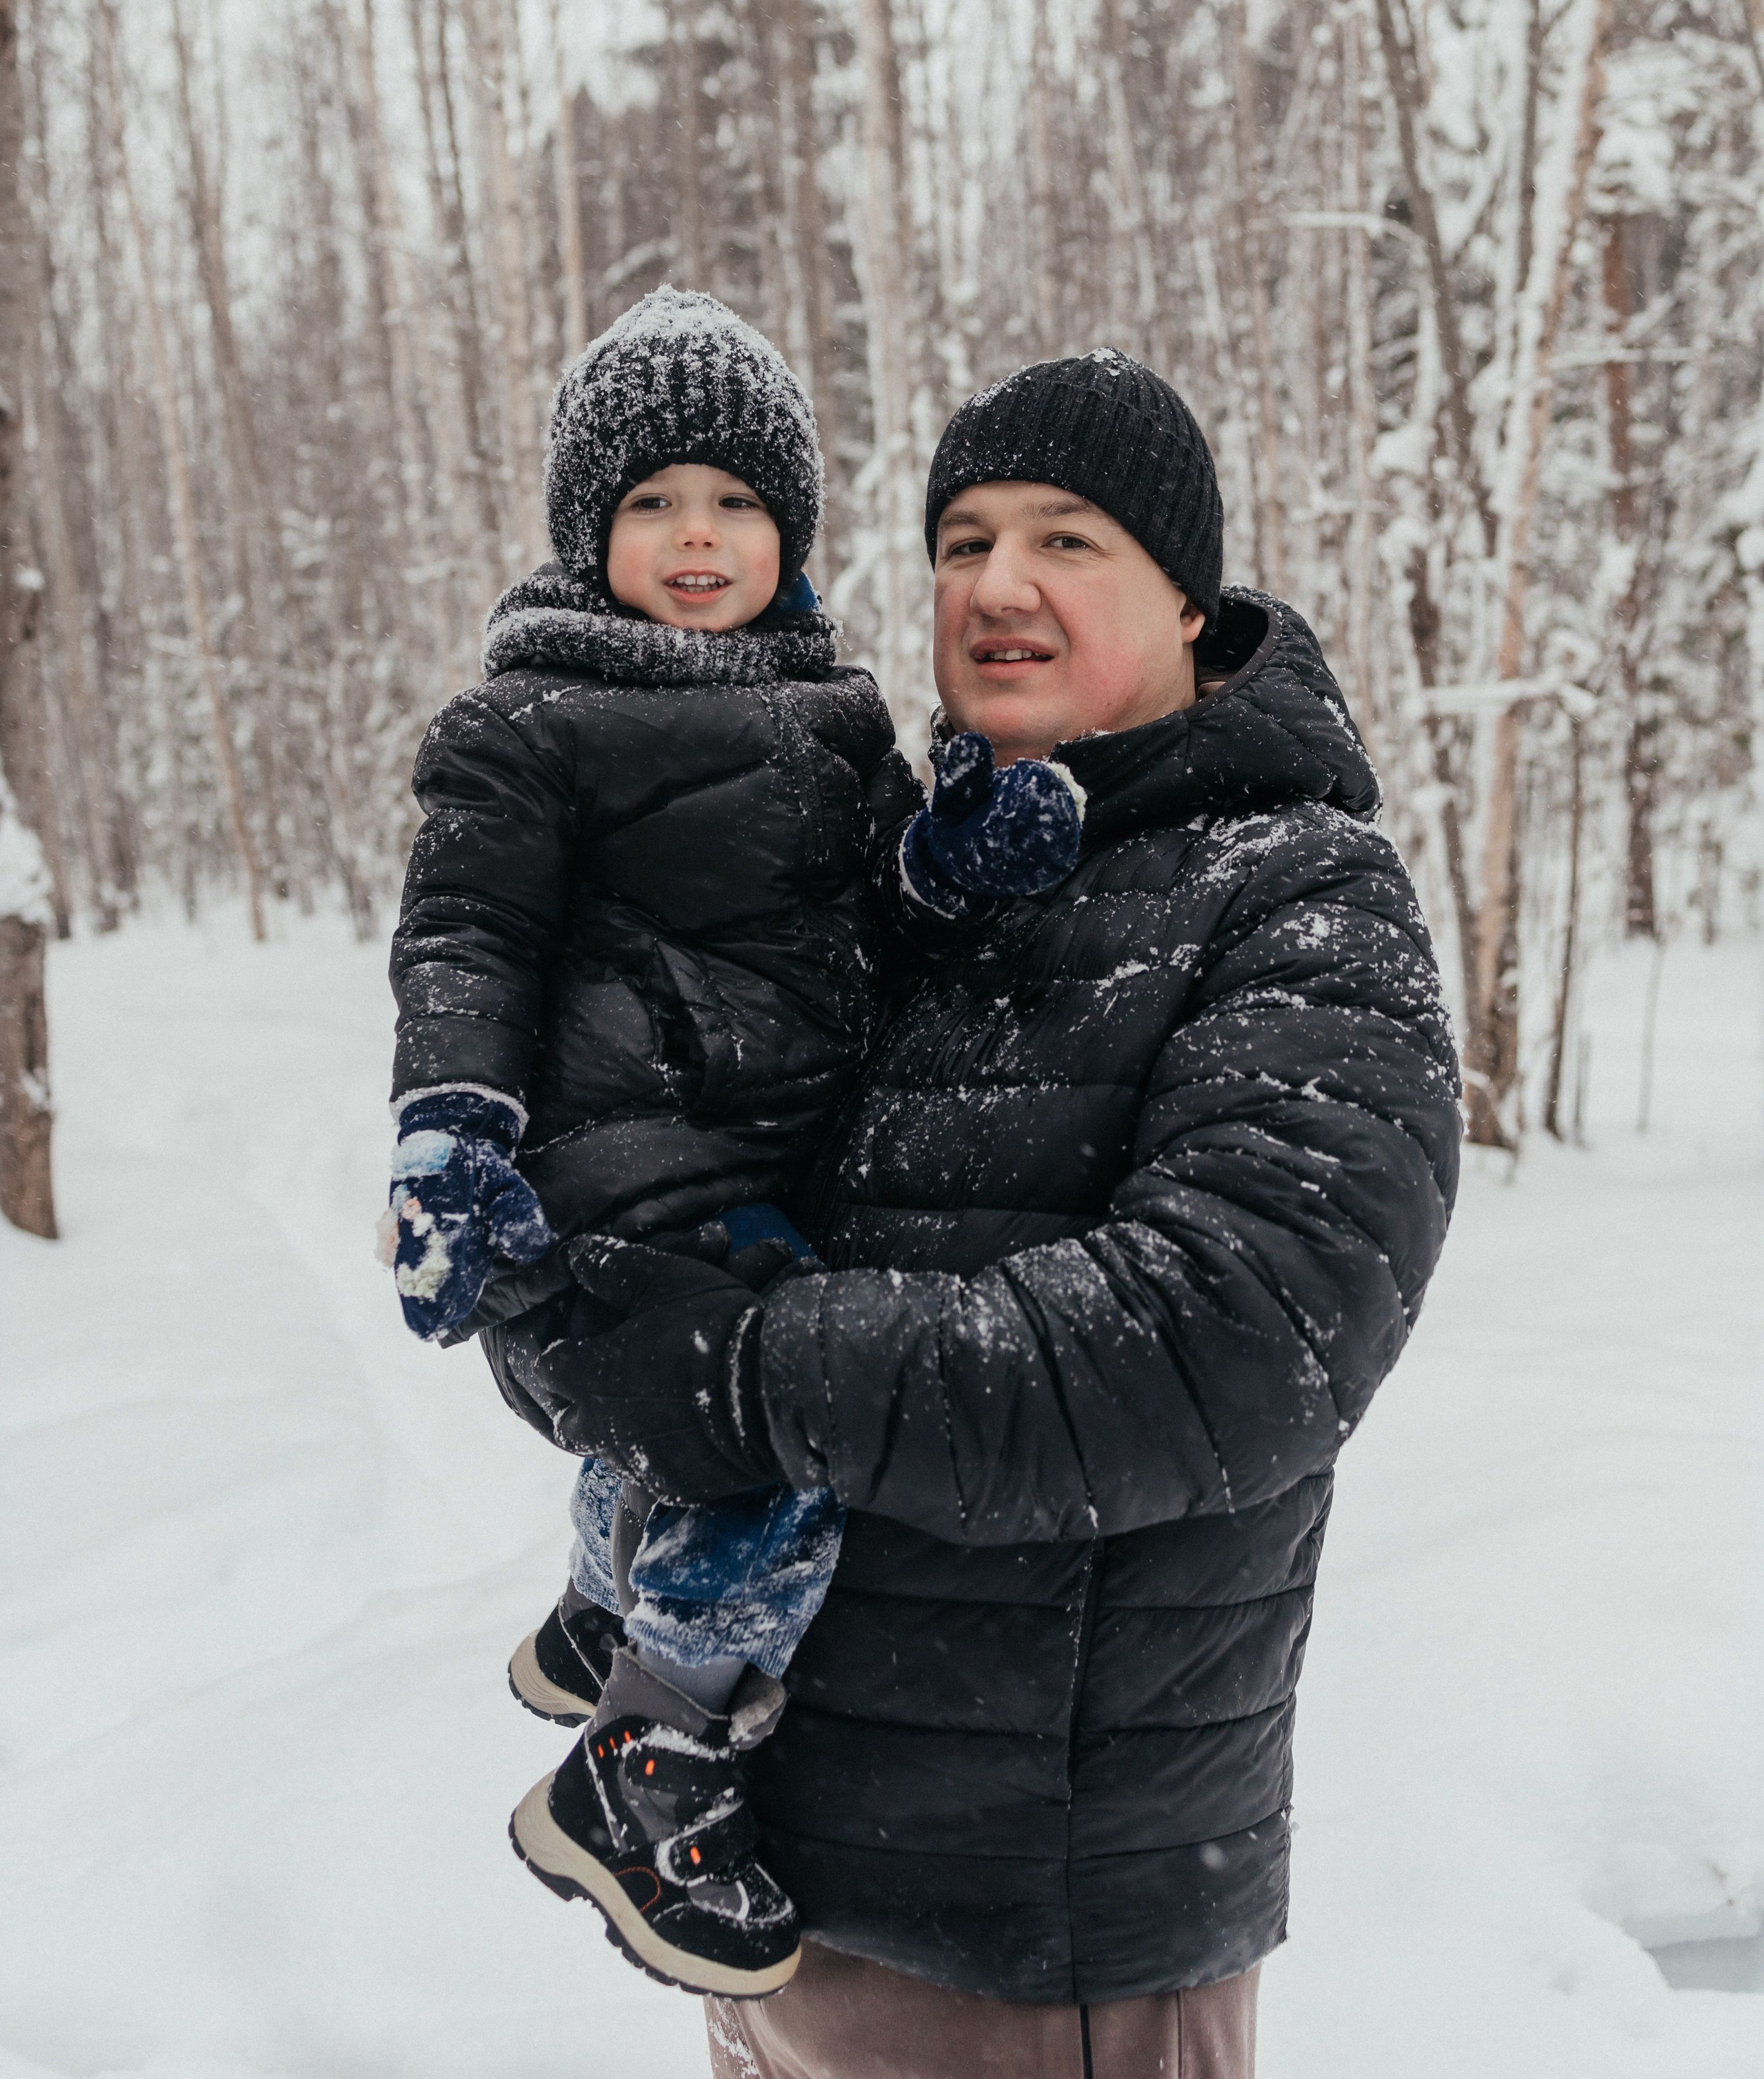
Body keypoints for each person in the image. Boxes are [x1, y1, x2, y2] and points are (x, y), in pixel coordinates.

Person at [523, 349, 1461, 2077]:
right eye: (960, 537)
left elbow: (1218, 1343)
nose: (997, 585)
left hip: (1037, 1935)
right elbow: (675, 1191)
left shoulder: (1296, 897)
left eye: (1067, 540)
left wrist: (732, 1369)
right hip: (767, 1879)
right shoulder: (887, 878)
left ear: (1189, 598)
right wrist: (571, 1303)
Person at [384, 286, 988, 1999]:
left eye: (733, 501)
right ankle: (649, 1766)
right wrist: (451, 1130)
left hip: (771, 1160)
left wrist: (963, 855)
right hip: (615, 1157)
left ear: (788, 531)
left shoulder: (838, 710)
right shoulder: (532, 720)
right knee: (782, 1427)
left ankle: (602, 1608)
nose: (697, 535)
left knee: (691, 1403)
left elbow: (881, 915)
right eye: (652, 502)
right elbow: (465, 940)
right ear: (591, 534)